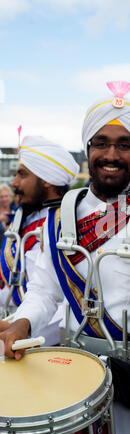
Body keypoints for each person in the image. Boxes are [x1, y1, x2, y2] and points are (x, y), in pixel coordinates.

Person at [0, 81, 130, 434]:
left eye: (124, 144)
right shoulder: (61, 215)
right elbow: (44, 291)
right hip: (75, 373)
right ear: (88, 149)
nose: (111, 154)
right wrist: (23, 321)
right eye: (101, 142)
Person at [0, 136, 79, 346]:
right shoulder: (24, 217)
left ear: (47, 179)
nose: (14, 183)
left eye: (22, 175)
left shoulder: (65, 226)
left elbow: (55, 299)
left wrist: (17, 328)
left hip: (36, 341)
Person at [0, 183, 18, 249]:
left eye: (6, 196)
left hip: (13, 248)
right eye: (1, 197)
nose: (4, 199)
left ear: (10, 196)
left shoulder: (17, 211)